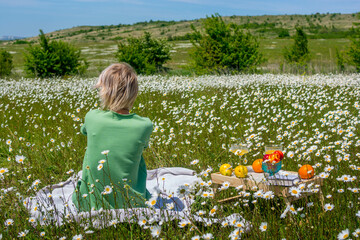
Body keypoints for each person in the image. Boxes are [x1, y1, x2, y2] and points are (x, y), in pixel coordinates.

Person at [71, 63, 153, 212]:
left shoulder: (92, 117)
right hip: (132, 204)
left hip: (90, 202)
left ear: (105, 92)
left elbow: (85, 131)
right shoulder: (145, 125)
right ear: (134, 93)